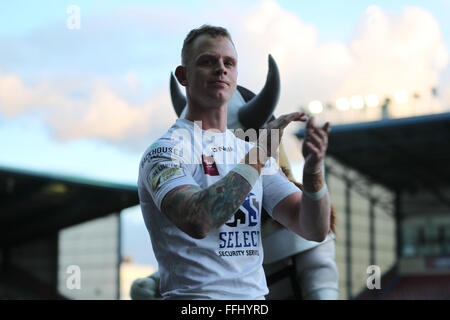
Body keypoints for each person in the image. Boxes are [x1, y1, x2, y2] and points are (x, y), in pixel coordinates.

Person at [137, 25, 331, 300]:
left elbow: (313, 228)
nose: (220, 69)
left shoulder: (251, 151)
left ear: (236, 73)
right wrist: (259, 156)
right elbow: (198, 219)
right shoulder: (164, 152)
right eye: (207, 61)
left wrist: (313, 172)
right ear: (183, 75)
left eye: (229, 62)